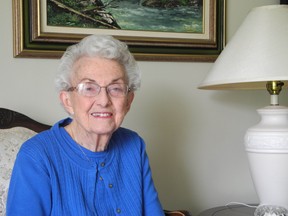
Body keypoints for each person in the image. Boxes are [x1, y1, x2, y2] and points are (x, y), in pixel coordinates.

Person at [6, 35, 165, 216]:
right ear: (67, 101)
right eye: (89, 88)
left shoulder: (134, 145)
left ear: (128, 101)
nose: (104, 101)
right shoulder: (37, 156)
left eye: (116, 88)